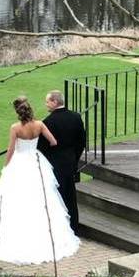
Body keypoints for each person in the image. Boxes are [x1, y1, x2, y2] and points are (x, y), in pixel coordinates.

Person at [0, 96, 80, 265]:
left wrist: (6, 166)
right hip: (36, 161)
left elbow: (11, 149)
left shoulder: (15, 128)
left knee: (15, 198)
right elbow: (53, 141)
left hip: (19, 162)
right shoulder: (39, 125)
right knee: (42, 198)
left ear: (18, 112)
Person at [37, 90, 86, 233]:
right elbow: (81, 141)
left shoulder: (48, 122)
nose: (46, 104)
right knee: (70, 194)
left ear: (54, 102)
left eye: (47, 101)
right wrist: (75, 157)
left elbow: (42, 147)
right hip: (70, 161)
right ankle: (73, 226)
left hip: (54, 164)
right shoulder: (76, 117)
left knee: (56, 195)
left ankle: (59, 228)